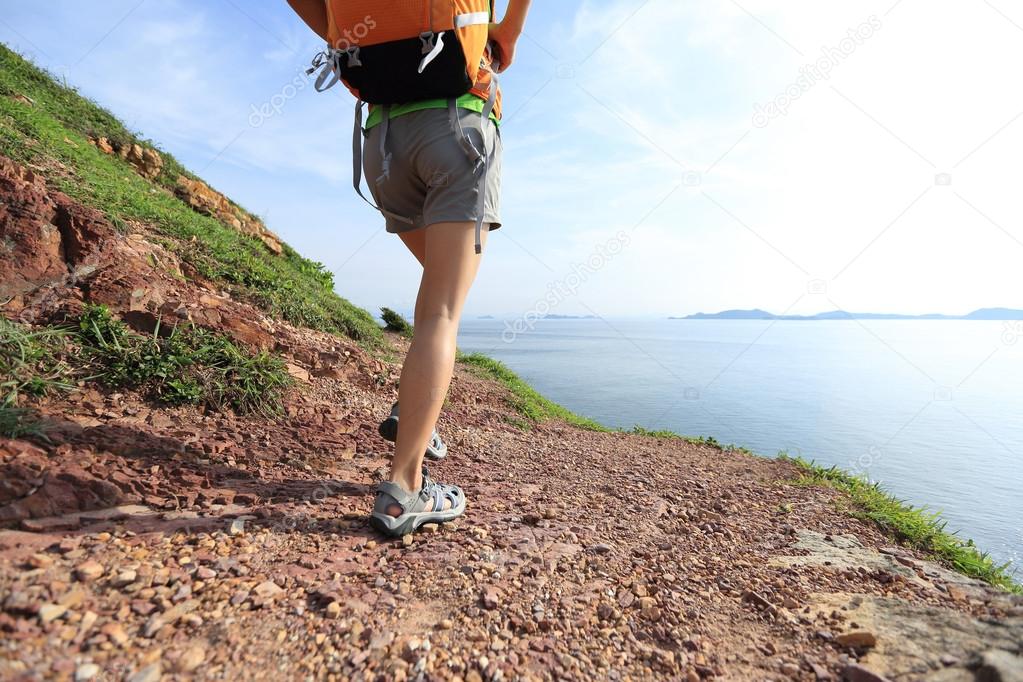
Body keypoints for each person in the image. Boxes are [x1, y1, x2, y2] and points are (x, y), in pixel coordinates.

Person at [286, 0, 532, 536]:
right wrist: (509, 29)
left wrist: (337, 31)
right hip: (458, 128)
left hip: (382, 146)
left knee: (441, 291)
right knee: (442, 312)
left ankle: (416, 414)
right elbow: (502, 36)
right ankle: (405, 490)